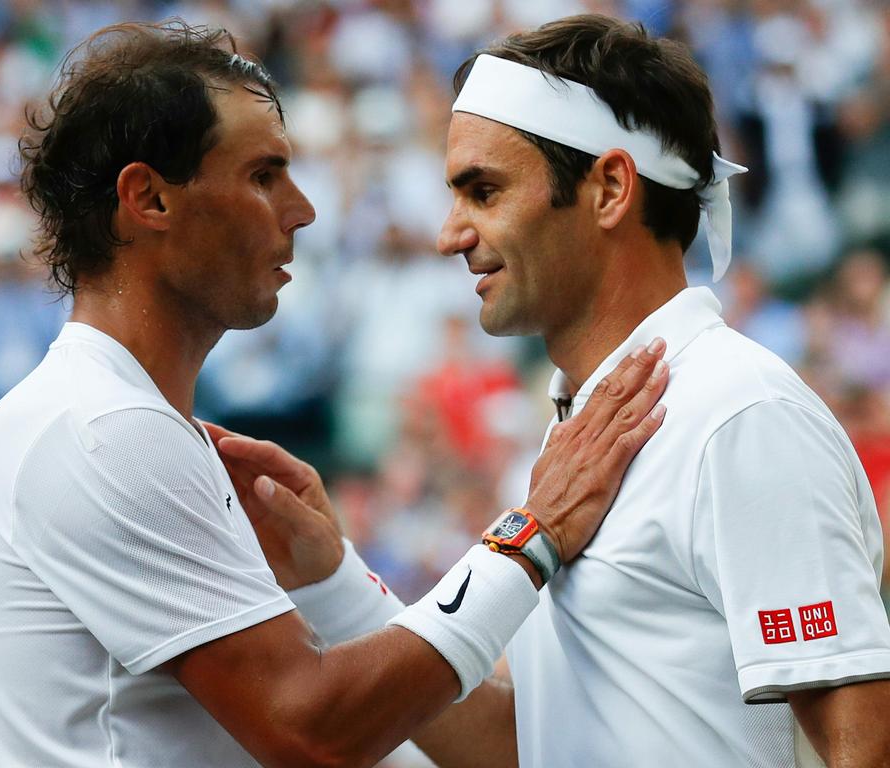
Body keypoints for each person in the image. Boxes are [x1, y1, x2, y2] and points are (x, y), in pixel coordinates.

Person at [0, 21, 670, 768]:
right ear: (149, 199)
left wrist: (334, 581)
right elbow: (313, 734)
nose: (303, 209)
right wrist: (533, 532)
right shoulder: (101, 429)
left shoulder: (121, 423)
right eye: (263, 176)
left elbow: (465, 745)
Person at [221, 14, 890, 768]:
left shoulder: (740, 414)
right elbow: (525, 743)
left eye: (484, 191)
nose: (450, 234)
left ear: (609, 189)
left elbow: (862, 745)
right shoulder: (580, 431)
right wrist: (337, 579)